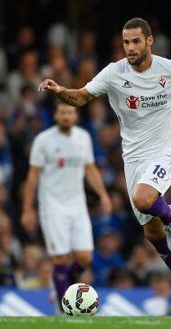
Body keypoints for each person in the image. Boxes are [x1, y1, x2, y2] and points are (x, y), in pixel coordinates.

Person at [38, 17, 171, 316]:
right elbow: (80, 97)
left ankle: (170, 214)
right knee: (153, 236)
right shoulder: (114, 73)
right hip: (134, 159)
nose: (130, 47)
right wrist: (59, 90)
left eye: (136, 41)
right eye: (126, 42)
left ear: (149, 41)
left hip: (167, 149)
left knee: (144, 199)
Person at [21, 102, 112, 310]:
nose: (66, 116)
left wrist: (103, 195)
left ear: (76, 116)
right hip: (52, 206)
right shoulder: (43, 140)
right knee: (60, 257)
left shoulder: (83, 138)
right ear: (55, 115)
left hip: (77, 205)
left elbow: (90, 169)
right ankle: (64, 308)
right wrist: (27, 209)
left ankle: (62, 289)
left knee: (84, 256)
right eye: (62, 112)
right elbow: (32, 176)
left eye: (70, 112)